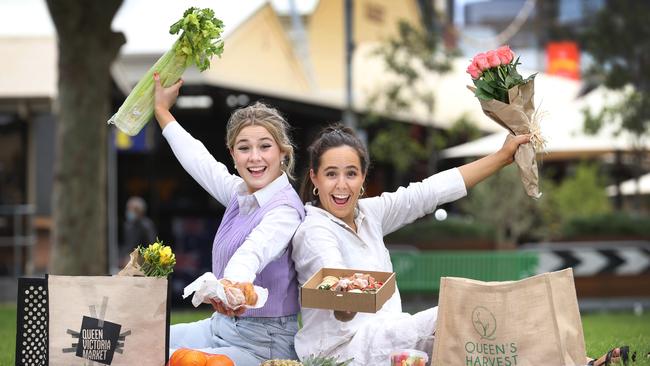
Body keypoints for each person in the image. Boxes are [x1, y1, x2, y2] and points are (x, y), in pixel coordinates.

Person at [291, 124, 531, 365]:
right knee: (452, 313)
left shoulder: (369, 213)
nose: (342, 185)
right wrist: (343, 304)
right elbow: (332, 273)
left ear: (363, 177)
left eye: (351, 173)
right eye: (331, 174)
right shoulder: (314, 230)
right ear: (315, 177)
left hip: (389, 339)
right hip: (343, 353)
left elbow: (429, 192)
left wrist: (502, 157)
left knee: (473, 314)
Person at [153, 73, 305, 365]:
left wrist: (232, 287)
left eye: (265, 146)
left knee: (176, 361)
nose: (254, 157)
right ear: (233, 155)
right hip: (220, 328)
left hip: (264, 343)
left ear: (283, 153)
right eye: (244, 148)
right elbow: (200, 161)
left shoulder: (285, 211)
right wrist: (162, 111)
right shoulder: (239, 194)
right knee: (142, 341)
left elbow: (254, 250)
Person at [122, 196, 157, 262]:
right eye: (128, 209)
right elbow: (127, 245)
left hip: (143, 260)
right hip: (130, 258)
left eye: (133, 209)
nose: (129, 212)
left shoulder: (147, 226)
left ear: (140, 211)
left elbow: (151, 247)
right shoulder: (128, 225)